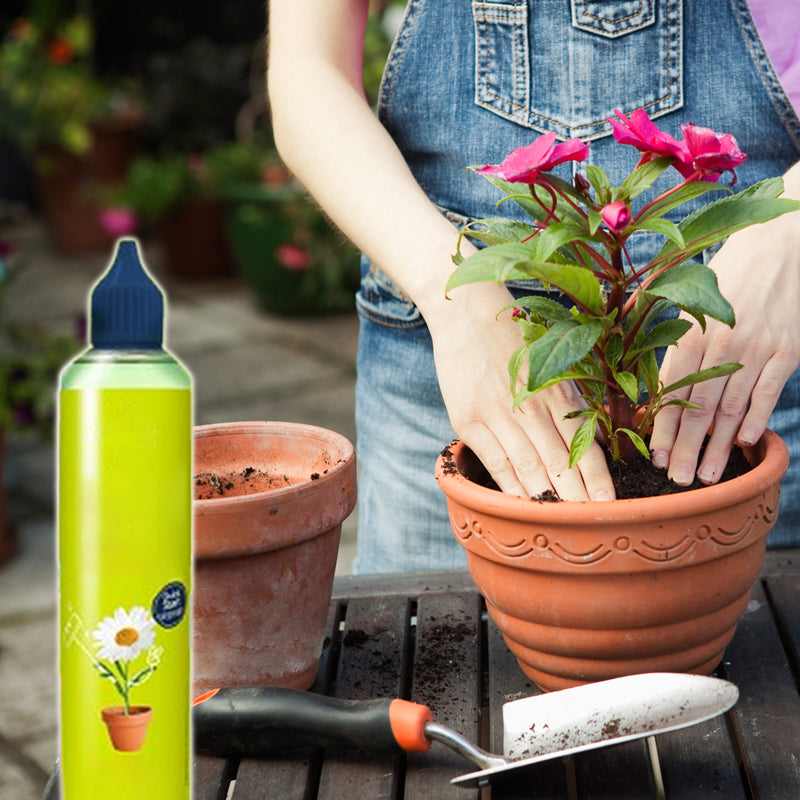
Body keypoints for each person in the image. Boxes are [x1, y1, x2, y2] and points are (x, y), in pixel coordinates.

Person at [267, 0, 800, 572]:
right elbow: (308, 68)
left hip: (755, 358)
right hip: (456, 365)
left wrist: (788, 231)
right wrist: (454, 294)